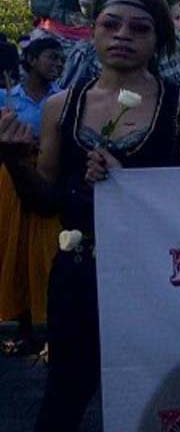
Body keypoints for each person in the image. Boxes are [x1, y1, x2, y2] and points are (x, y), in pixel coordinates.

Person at [0, 0, 180, 431]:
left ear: (158, 41)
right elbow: (44, 201)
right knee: (64, 393)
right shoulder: (63, 107)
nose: (123, 35)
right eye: (110, 24)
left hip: (156, 275)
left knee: (159, 393)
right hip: (78, 271)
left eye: (139, 28)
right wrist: (17, 159)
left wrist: (131, 185)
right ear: (91, 32)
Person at [0, 37, 64, 356]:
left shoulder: (62, 99)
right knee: (15, 254)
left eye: (60, 60)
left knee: (47, 252)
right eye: (51, 57)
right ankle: (24, 326)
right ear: (33, 59)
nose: (57, 64)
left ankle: (49, 325)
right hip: (11, 183)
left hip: (45, 181)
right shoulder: (6, 98)